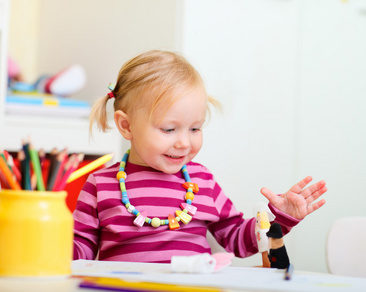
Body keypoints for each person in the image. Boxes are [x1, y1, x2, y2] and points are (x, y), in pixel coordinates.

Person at [72, 50, 327, 263]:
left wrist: (280, 216)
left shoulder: (202, 181)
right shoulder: (100, 184)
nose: (184, 142)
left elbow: (238, 240)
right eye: (169, 129)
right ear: (126, 126)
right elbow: (78, 253)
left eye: (195, 128)